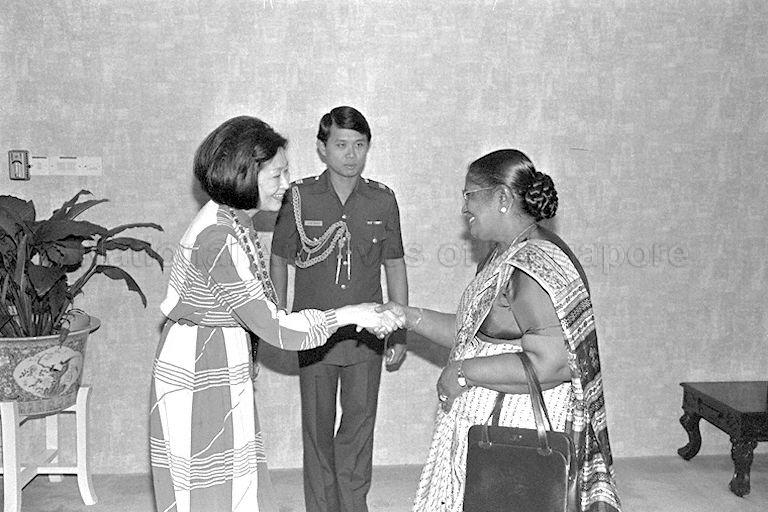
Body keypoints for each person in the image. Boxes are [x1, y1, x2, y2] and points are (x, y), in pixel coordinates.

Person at [149, 116, 402, 512]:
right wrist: (352, 313)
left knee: (234, 482)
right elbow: (276, 327)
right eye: (278, 174)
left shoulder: (232, 221)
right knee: (207, 490)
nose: (287, 185)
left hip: (219, 355)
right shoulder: (218, 237)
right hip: (200, 369)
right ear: (245, 173)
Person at [380, 149, 622, 512]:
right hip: (491, 419)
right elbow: (471, 336)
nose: (464, 208)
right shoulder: (503, 254)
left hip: (519, 427)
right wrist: (406, 316)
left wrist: (463, 373)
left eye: (469, 195)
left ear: (503, 198)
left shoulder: (532, 265)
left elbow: (553, 363)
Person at [270, 106, 408, 512]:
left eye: (360, 145)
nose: (351, 154)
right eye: (342, 145)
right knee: (317, 429)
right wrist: (279, 321)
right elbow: (279, 258)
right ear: (322, 149)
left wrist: (399, 327)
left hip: (366, 336)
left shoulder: (382, 200)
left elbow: (395, 264)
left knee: (358, 428)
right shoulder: (299, 197)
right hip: (314, 333)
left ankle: (352, 505)